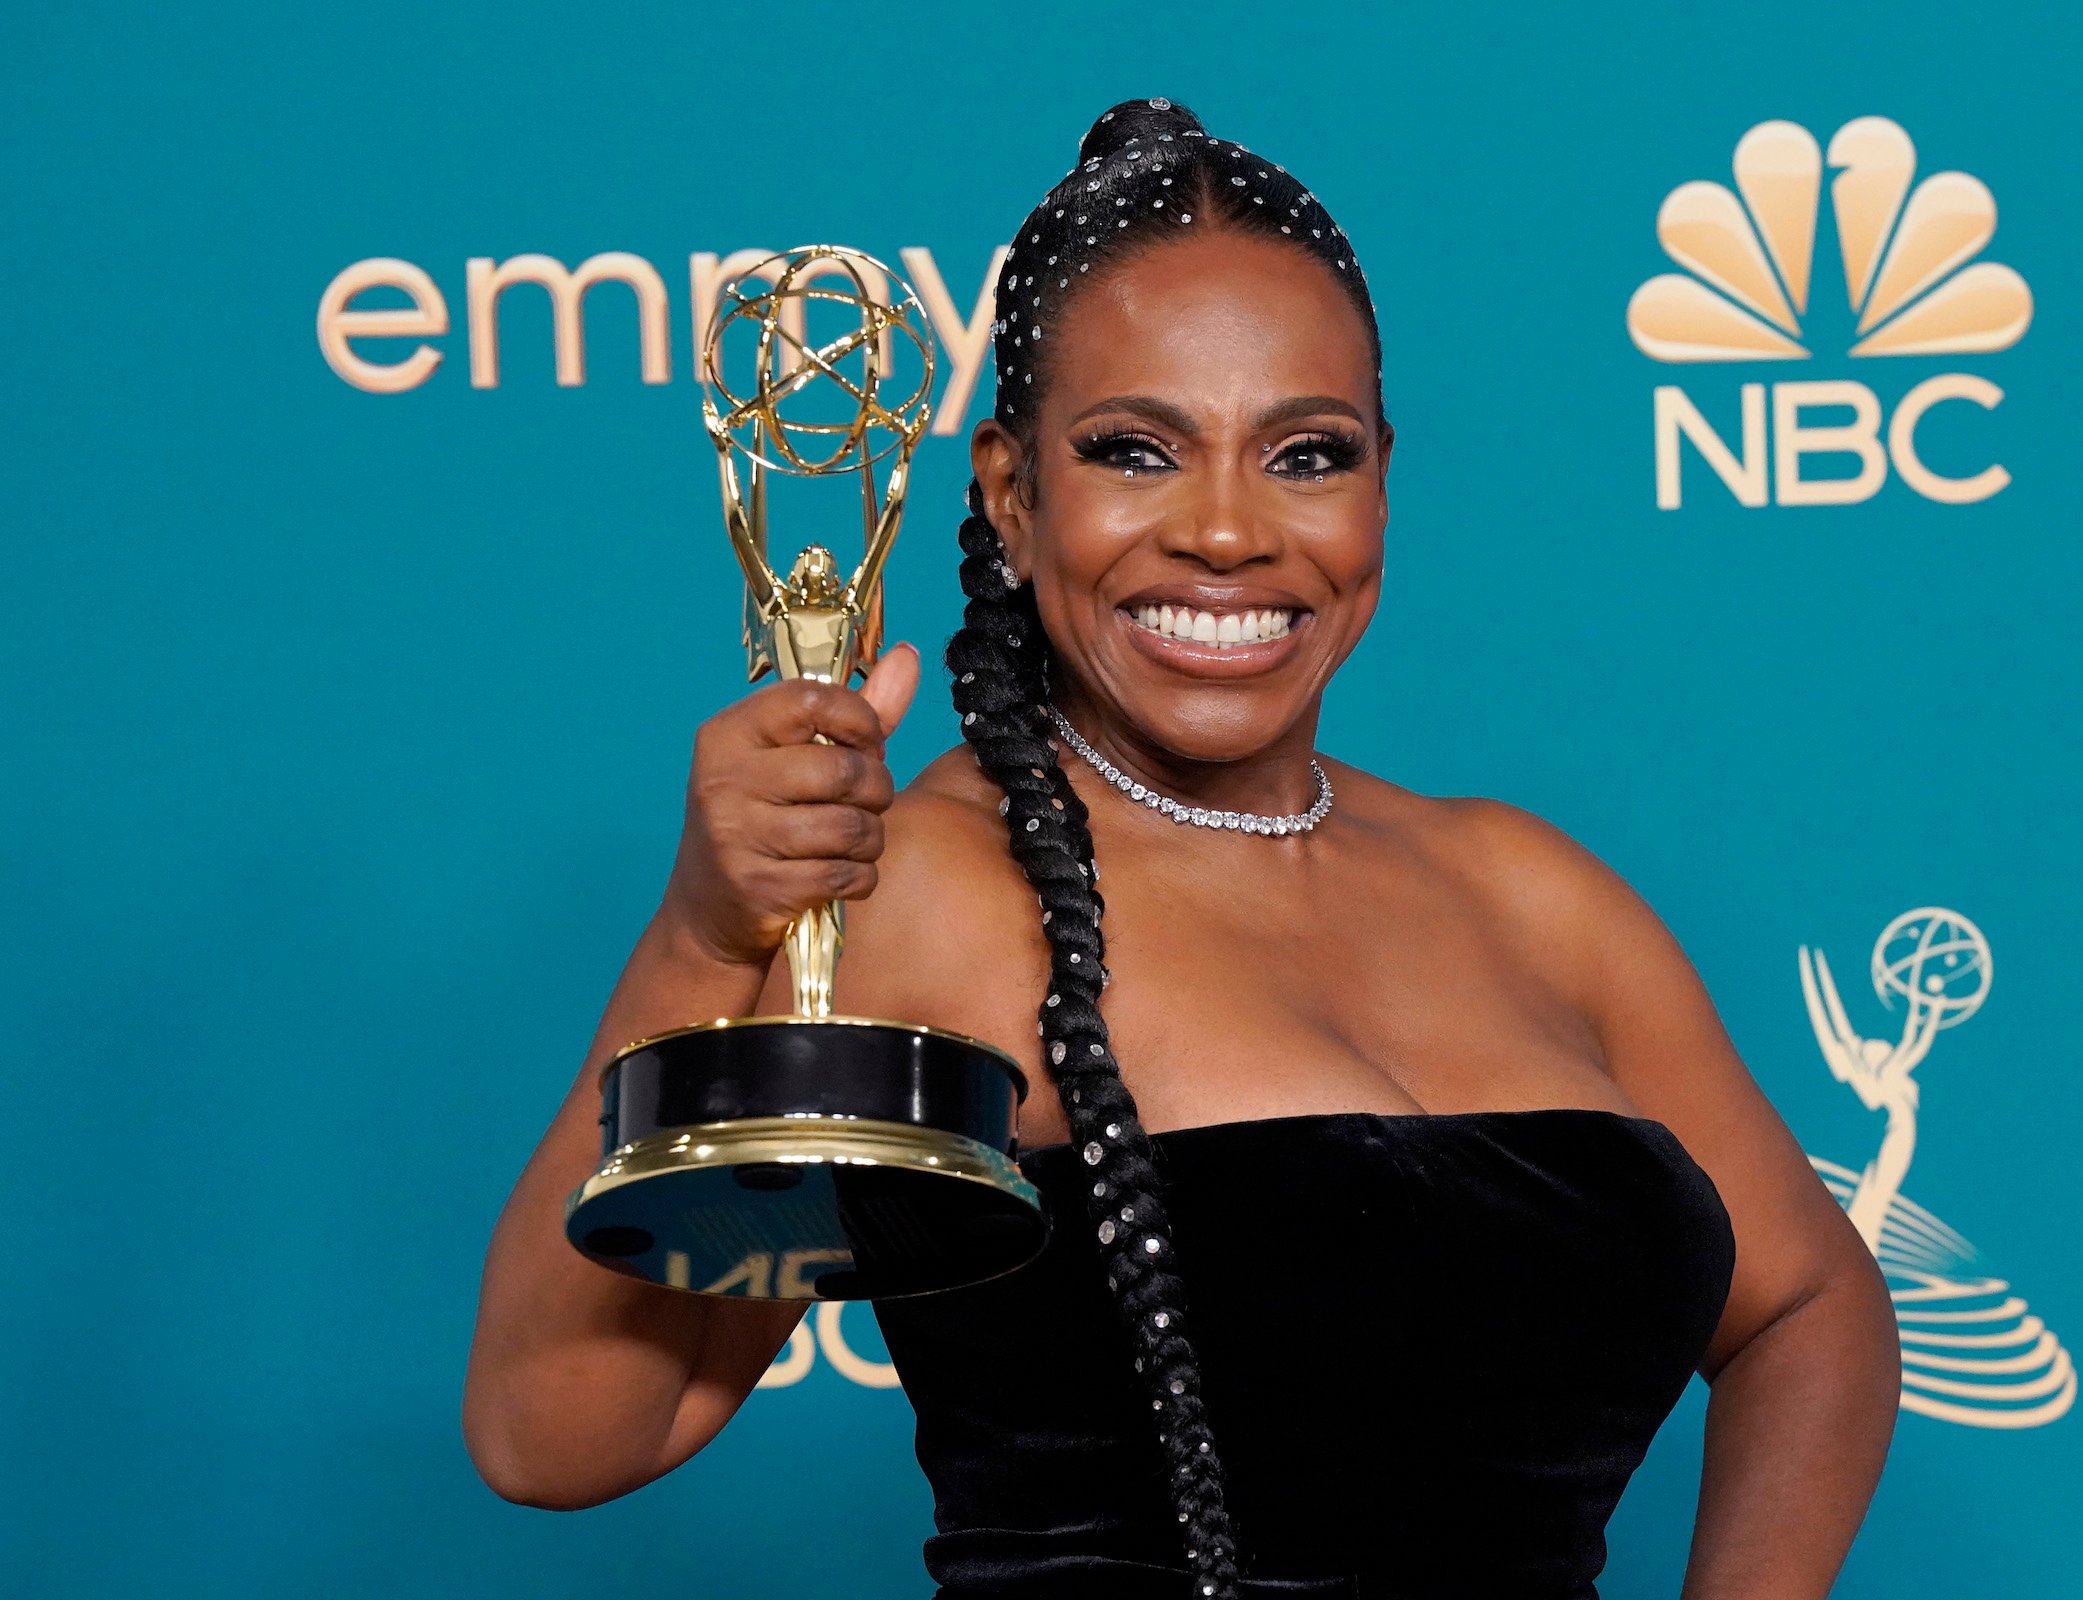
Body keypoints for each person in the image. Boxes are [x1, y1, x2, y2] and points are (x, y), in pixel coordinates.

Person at [464, 97, 1900, 1600]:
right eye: (1139, 451)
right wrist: (706, 940)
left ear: (1381, 486)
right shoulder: (922, 890)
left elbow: (1809, 1305)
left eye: (1307, 455)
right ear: (1013, 498)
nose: (1227, 533)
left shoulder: (1535, 895)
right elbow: (556, 1432)